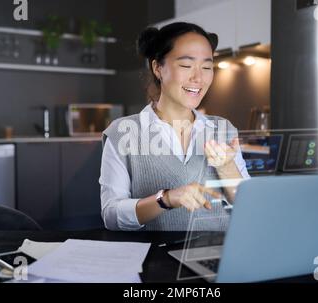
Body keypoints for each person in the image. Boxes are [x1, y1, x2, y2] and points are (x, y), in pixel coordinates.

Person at [99, 22, 250, 231]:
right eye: (186, 66)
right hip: (157, 259)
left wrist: (227, 168)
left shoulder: (223, 129)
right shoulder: (123, 132)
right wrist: (165, 199)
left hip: (218, 257)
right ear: (157, 68)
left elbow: (249, 209)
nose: (198, 78)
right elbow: (111, 216)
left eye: (207, 67)